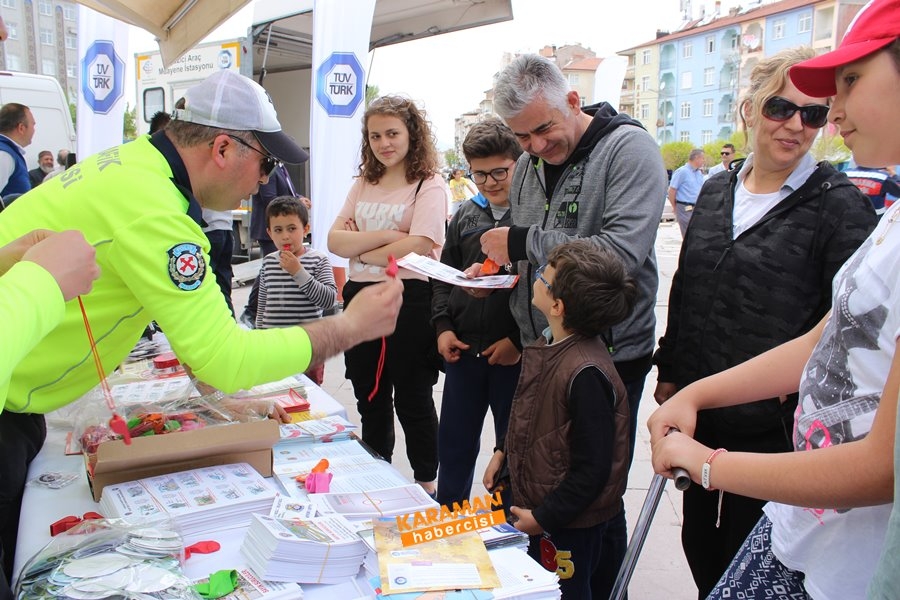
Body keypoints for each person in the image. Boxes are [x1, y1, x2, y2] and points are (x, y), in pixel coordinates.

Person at [0, 70, 404, 586]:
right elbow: (225, 356)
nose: (263, 181)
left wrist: (215, 401)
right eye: (267, 163)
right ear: (223, 148)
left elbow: (189, 328)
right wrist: (349, 327)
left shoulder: (136, 168)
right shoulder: (154, 210)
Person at [650, 5, 900, 597]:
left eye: (844, 87)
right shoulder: (718, 190)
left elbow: (880, 464)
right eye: (783, 107)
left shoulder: (840, 204)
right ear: (751, 107)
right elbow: (831, 334)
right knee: (702, 552)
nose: (825, 118)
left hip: (787, 461)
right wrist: (684, 383)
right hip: (783, 502)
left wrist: (712, 462)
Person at [480, 53, 667, 466]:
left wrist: (522, 242)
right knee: (537, 474)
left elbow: (621, 254)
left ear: (573, 101)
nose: (537, 146)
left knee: (594, 485)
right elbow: (526, 253)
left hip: (606, 355)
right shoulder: (527, 166)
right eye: (522, 137)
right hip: (540, 349)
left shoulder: (629, 150)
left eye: (544, 128)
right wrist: (496, 271)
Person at [483, 240, 636, 600]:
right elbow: (530, 415)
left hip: (568, 527)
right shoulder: (550, 344)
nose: (536, 277)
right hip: (541, 511)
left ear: (557, 305)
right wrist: (503, 452)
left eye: (543, 275)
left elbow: (592, 470)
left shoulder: (585, 373)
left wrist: (544, 518)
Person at [328, 94, 446, 497]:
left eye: (392, 133)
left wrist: (361, 249)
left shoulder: (429, 183)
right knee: (370, 394)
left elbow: (421, 245)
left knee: (413, 397)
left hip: (409, 297)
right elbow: (334, 241)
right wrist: (388, 237)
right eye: (375, 135)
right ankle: (377, 479)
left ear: (412, 133)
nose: (384, 143)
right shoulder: (363, 182)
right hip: (359, 295)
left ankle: (426, 484)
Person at [431, 118, 522, 507]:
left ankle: (510, 527)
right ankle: (450, 519)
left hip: (513, 357)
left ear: (519, 163)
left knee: (512, 450)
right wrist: (442, 327)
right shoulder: (465, 215)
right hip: (464, 352)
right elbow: (443, 278)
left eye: (499, 172)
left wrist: (518, 342)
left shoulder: (533, 217)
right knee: (454, 445)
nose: (489, 182)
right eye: (479, 174)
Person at [256, 196, 336, 385]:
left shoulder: (318, 260)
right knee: (277, 391)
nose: (285, 236)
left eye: (292, 229)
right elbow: (263, 303)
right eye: (278, 230)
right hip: (274, 345)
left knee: (309, 394)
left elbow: (329, 299)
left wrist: (298, 272)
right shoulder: (269, 262)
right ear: (269, 233)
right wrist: (259, 336)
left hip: (307, 346)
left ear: (305, 229)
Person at [240, 163, 299, 327]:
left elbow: (287, 193)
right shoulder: (271, 169)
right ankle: (251, 311)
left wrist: (299, 199)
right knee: (269, 269)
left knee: (271, 269)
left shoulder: (281, 167)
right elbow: (270, 199)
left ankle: (258, 310)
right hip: (271, 230)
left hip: (278, 228)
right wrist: (296, 204)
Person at [0, 103, 36, 198]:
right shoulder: (4, 155)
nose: (34, 130)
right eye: (33, 125)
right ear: (21, 128)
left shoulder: (8, 151)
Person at [667, 148, 706, 236]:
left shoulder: (698, 173)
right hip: (685, 207)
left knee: (697, 235)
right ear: (696, 158)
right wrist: (675, 207)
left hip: (697, 207)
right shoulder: (682, 172)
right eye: (702, 158)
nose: (703, 161)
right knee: (688, 235)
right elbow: (672, 190)